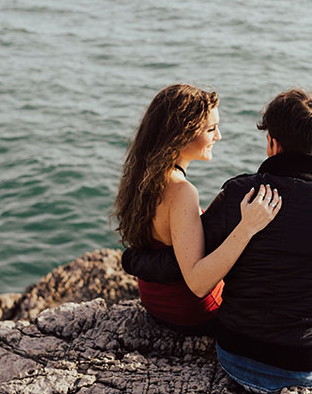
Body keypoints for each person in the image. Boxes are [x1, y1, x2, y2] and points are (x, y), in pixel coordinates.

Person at [123, 89, 312, 394]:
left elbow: (185, 258)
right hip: (302, 374)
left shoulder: (238, 194)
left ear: (272, 143)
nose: (219, 135)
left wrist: (133, 259)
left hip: (232, 358)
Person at [112, 84, 281, 335]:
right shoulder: (182, 191)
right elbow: (198, 283)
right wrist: (247, 227)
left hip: (154, 302)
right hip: (193, 312)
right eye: (211, 129)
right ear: (182, 134)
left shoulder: (144, 176)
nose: (218, 136)